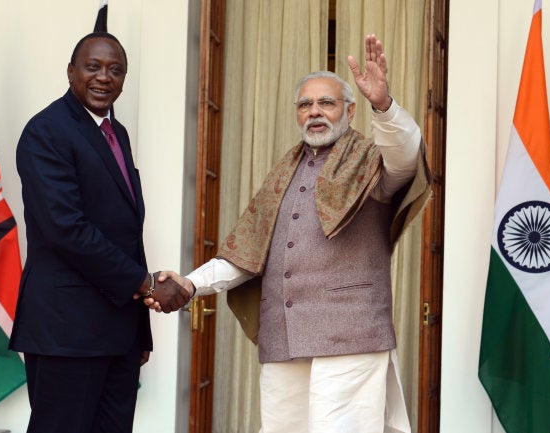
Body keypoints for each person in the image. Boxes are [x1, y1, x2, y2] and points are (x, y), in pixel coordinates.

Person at [149, 34, 430, 433]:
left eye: (326, 103)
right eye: (305, 104)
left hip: (350, 337)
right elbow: (247, 253)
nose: (315, 112)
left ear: (350, 111)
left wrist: (383, 106)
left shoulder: (372, 163)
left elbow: (405, 158)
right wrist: (191, 284)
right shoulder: (283, 174)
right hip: (283, 337)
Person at [9, 32, 193, 433]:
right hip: (67, 332)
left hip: (117, 334)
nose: (104, 78)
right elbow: (66, 229)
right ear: (71, 71)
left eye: (116, 70)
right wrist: (145, 284)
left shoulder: (116, 133)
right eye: (93, 67)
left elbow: (126, 233)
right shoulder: (46, 131)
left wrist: (137, 329)